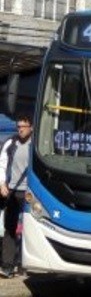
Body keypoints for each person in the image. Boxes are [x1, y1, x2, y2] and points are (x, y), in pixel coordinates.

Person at [0, 114, 32, 278]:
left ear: (31, 128)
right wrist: (2, 183)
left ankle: (23, 264)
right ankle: (6, 266)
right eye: (18, 126)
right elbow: (2, 163)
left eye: (23, 126)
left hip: (29, 193)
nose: (20, 129)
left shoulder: (36, 145)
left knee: (29, 230)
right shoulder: (11, 143)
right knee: (10, 228)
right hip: (12, 191)